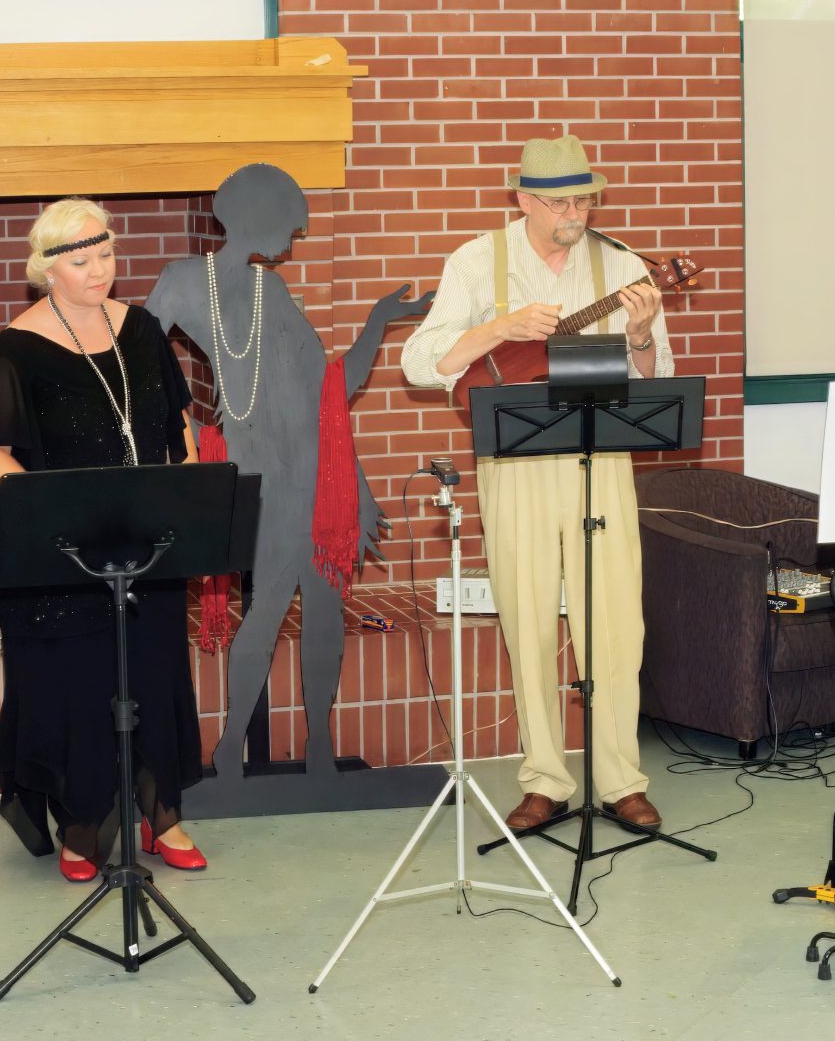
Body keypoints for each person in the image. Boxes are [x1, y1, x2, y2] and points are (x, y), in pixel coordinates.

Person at [400, 135, 670, 833]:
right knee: (523, 613)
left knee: (614, 622)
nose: (574, 213)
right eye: (558, 201)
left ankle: (620, 779)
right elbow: (419, 363)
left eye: (584, 198)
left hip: (602, 455)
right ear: (523, 199)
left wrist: (640, 337)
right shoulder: (474, 260)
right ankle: (544, 778)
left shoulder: (623, 264)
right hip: (513, 458)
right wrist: (499, 329)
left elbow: (656, 379)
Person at [147, 163, 428, 784]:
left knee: (326, 615)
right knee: (267, 610)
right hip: (259, 482)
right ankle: (227, 754)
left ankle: (320, 750)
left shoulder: (270, 292)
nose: (293, 244)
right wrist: (185, 434)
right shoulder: (183, 281)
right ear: (258, 215)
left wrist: (381, 322)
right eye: (291, 229)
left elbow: (330, 390)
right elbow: (137, 369)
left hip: (313, 480)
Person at [0, 199, 209, 882]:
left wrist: (181, 490)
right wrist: (55, 514)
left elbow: (176, 427)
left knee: (153, 675)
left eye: (107, 256)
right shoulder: (15, 347)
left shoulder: (144, 328)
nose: (101, 271)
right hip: (65, 554)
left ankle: (163, 814)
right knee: (76, 688)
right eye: (82, 261)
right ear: (48, 270)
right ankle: (83, 824)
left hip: (146, 545)